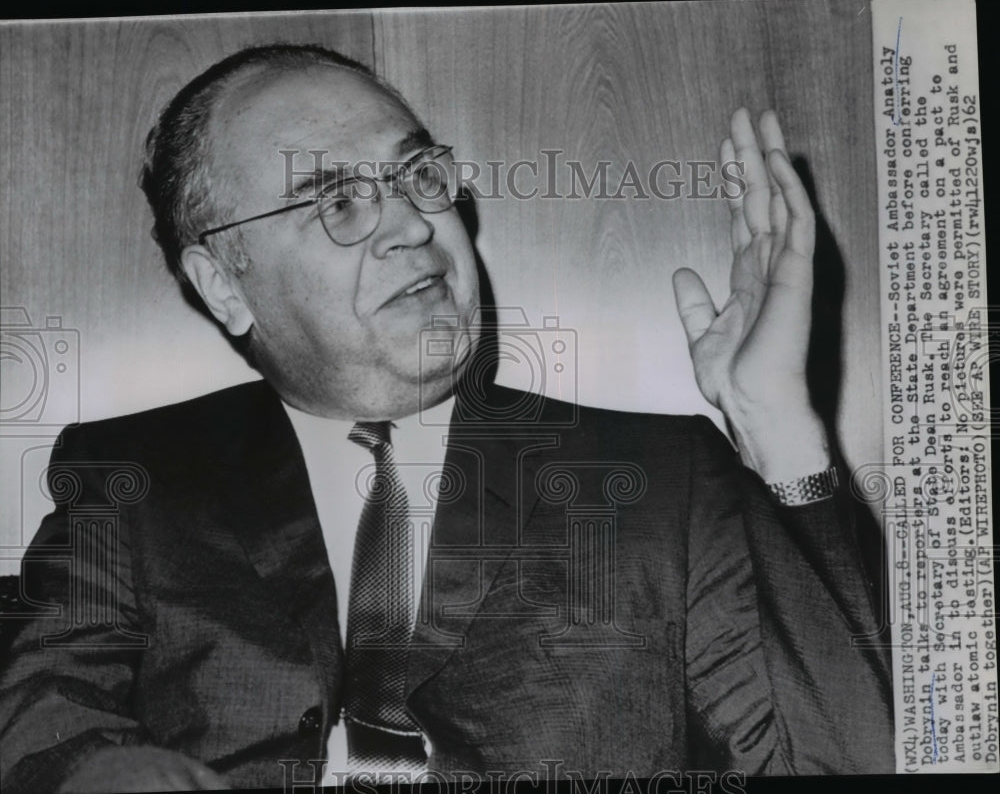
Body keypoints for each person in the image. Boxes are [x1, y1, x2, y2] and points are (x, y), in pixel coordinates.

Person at [0, 44, 894, 792]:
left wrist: (775, 423)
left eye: (418, 174)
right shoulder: (139, 476)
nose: (411, 224)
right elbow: (42, 727)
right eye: (337, 199)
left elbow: (835, 761)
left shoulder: (660, 477)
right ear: (225, 284)